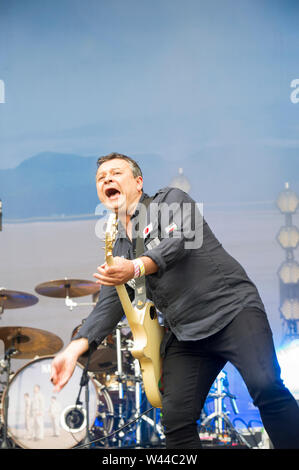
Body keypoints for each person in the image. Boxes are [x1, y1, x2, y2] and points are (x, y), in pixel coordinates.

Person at [51, 152, 299, 449]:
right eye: (101, 178)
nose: (107, 179)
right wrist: (75, 348)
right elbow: (111, 301)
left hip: (232, 310)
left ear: (138, 182)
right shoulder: (116, 243)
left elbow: (178, 242)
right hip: (187, 333)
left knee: (266, 387)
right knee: (175, 419)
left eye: (116, 173)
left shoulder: (170, 201)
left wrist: (135, 267)